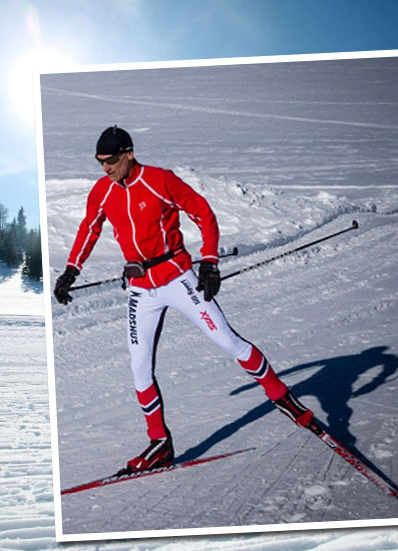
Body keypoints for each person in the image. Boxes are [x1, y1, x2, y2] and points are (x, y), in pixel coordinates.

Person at [54, 126, 312, 476]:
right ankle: (159, 442)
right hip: (140, 288)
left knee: (227, 340)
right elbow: (89, 228)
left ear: (129, 153)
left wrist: (209, 261)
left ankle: (284, 398)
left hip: (177, 278)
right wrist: (71, 271)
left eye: (111, 161)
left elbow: (202, 212)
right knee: (139, 365)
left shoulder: (159, 181)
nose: (106, 169)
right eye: (100, 162)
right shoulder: (102, 191)